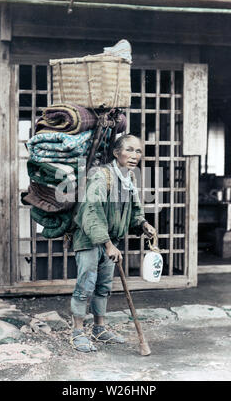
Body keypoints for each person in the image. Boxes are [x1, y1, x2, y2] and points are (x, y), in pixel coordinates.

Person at [70, 134, 156, 352]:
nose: (135, 155)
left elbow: (134, 210)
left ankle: (99, 328)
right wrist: (107, 245)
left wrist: (143, 224)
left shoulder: (129, 178)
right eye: (129, 150)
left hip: (111, 242)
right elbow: (91, 212)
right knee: (85, 286)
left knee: (104, 287)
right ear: (117, 153)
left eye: (138, 151)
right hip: (90, 239)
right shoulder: (101, 176)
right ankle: (77, 332)